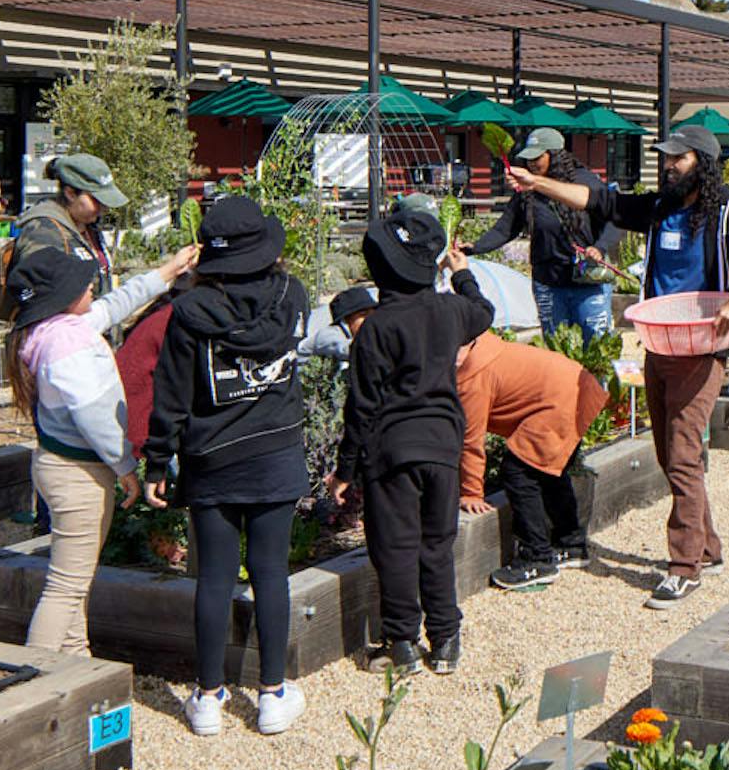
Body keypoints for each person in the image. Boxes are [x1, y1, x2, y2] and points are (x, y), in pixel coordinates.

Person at [508, 125, 729, 611]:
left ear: (702, 162)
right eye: (665, 159)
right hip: (661, 340)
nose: (668, 166)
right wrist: (537, 184)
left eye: (678, 159)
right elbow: (599, 201)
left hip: (703, 344)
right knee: (669, 453)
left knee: (685, 451)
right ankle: (707, 547)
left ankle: (684, 568)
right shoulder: (661, 207)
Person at [142, 195, 312, 738]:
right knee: (271, 574)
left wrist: (155, 462)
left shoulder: (189, 313)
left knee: (213, 579)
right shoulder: (293, 296)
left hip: (211, 455)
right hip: (276, 450)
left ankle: (209, 698)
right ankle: (271, 695)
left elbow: (169, 393)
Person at [5, 236, 200, 657]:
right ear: (60, 297)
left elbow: (116, 305)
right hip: (77, 473)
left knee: (77, 578)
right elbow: (96, 416)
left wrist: (168, 271)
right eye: (82, 285)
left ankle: (75, 660)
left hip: (65, 467)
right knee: (66, 584)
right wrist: (126, 466)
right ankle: (33, 677)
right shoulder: (67, 348)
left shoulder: (59, 329)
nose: (92, 287)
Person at [330, 199, 494, 676]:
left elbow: (361, 406)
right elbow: (483, 310)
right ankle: (445, 639)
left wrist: (345, 470)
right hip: (443, 443)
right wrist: (461, 273)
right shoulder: (450, 311)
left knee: (395, 547)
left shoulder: (376, 327)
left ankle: (401, 642)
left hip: (393, 449)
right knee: (436, 545)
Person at [457, 328, 608, 590]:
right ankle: (570, 543)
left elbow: (471, 440)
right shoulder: (487, 349)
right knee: (546, 469)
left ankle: (537, 558)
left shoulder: (474, 377)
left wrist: (471, 492)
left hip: (559, 403)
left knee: (519, 473)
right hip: (575, 389)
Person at [466, 128, 611, 339]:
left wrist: (599, 247)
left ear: (555, 155)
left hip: (587, 283)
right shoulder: (527, 189)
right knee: (555, 347)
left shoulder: (585, 182)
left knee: (597, 346)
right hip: (548, 284)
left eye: (537, 157)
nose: (532, 163)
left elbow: (614, 221)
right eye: (528, 158)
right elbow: (505, 228)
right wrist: (474, 247)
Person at [0, 153, 127, 324]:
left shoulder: (89, 228)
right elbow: (36, 298)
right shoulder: (43, 231)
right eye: (96, 200)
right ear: (71, 193)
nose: (104, 208)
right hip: (64, 343)